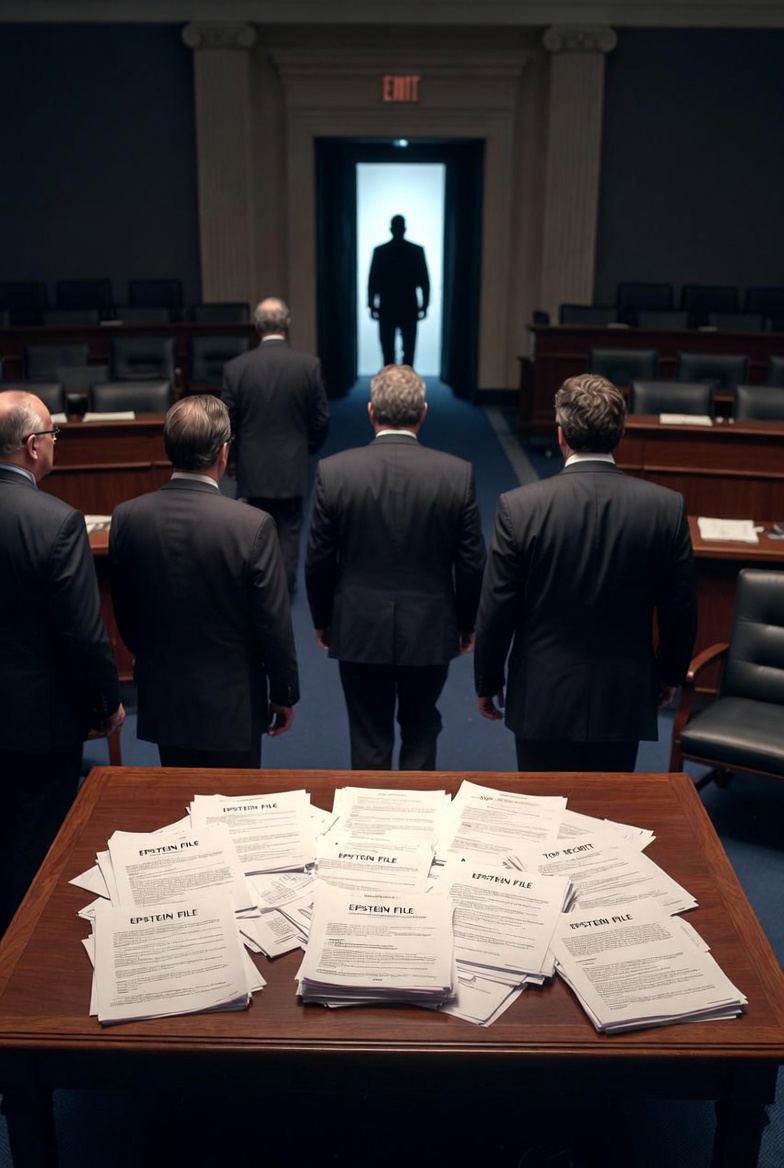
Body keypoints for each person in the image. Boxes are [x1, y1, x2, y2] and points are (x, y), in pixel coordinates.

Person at [474, 373, 697, 773]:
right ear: (620, 433)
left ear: (560, 435)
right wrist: (668, 675)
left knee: (542, 818)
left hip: (543, 697)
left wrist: (488, 680)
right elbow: (680, 608)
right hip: (624, 695)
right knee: (608, 823)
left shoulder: (519, 507)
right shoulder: (666, 508)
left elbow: (497, 608)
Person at [305, 364, 486, 770]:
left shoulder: (335, 472)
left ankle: (370, 823)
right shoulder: (457, 474)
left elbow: (318, 557)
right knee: (421, 726)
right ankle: (418, 822)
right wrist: (467, 623)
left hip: (357, 625)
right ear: (423, 413)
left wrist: (323, 618)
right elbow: (472, 562)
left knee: (368, 735)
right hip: (431, 624)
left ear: (371, 412)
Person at [109, 395, 299, 768]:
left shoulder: (128, 518)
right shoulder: (251, 525)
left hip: (164, 696)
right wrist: (283, 693)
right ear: (223, 452)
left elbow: (125, 614)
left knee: (179, 814)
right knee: (232, 816)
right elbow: (273, 625)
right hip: (233, 705)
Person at [0, 390, 123, 935]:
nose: (55, 444)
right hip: (36, 722)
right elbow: (82, 634)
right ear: (32, 447)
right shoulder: (58, 522)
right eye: (53, 435)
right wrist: (106, 705)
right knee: (37, 844)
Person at [222, 296, 330, 596]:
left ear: (256, 326)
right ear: (287, 324)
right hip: (292, 464)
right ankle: (285, 589)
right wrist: (306, 448)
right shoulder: (308, 366)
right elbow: (321, 419)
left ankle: (258, 589)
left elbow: (227, 422)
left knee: (253, 531)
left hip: (251, 466)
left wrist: (232, 461)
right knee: (290, 529)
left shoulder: (236, 368)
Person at [367, 215, 430, 368]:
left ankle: (390, 383)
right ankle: (407, 383)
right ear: (404, 229)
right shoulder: (416, 251)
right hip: (408, 305)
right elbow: (424, 281)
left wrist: (371, 304)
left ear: (391, 229)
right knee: (408, 351)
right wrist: (424, 305)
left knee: (388, 351)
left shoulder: (380, 251)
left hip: (387, 305)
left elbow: (373, 281)